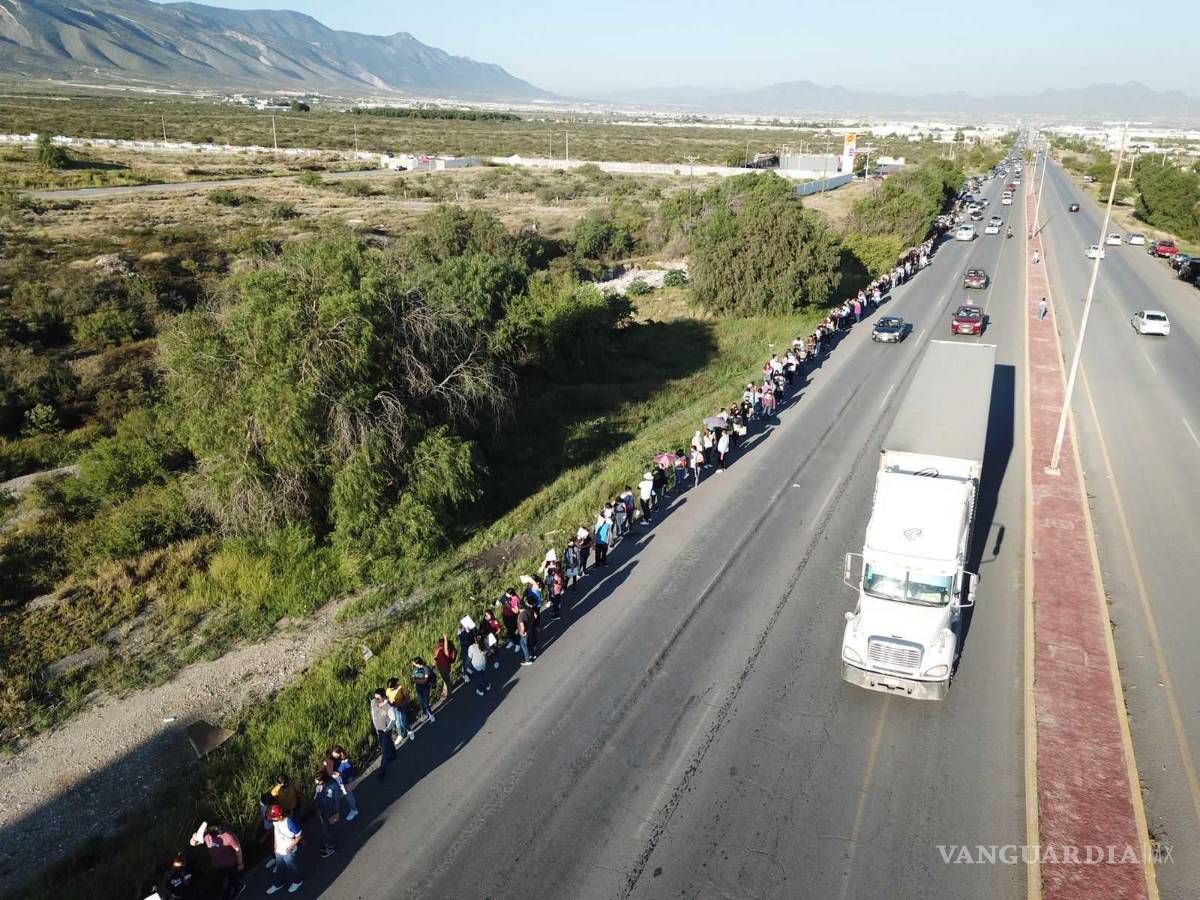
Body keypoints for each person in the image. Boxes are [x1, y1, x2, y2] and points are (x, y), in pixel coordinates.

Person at [193, 824, 245, 900]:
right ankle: (237, 887)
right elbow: (193, 843)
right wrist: (195, 838)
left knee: (226, 885)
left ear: (220, 826)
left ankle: (235, 889)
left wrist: (240, 863)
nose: (218, 835)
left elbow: (238, 849)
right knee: (223, 884)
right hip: (217, 866)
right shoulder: (207, 836)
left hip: (229, 865)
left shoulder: (228, 836)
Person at [266, 804, 303, 894]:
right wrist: (275, 844)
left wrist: (290, 847)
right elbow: (276, 832)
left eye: (273, 817)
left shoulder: (290, 822)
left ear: (279, 816)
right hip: (279, 849)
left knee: (292, 867)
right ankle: (279, 883)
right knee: (280, 867)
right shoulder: (276, 821)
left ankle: (297, 881)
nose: (271, 819)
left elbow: (299, 836)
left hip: (288, 850)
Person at [370, 690, 399, 779]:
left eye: (378, 698)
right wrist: (375, 727)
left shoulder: (388, 707)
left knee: (385, 750)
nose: (376, 700)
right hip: (378, 729)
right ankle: (394, 755)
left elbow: (393, 719)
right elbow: (373, 713)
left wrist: (387, 729)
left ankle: (382, 770)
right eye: (375, 697)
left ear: (383, 697)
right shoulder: (373, 702)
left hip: (385, 730)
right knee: (388, 741)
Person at [326, 747, 358, 821]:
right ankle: (338, 813)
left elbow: (349, 772)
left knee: (349, 796)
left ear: (340, 753)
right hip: (341, 781)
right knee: (342, 795)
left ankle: (354, 810)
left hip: (347, 781)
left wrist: (338, 774)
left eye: (335, 755)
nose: (334, 757)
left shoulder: (346, 761)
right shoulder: (337, 759)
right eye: (333, 755)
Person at [312, 770, 340, 858]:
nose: (315, 781)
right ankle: (329, 842)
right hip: (322, 811)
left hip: (331, 812)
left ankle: (331, 846)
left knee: (330, 830)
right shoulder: (319, 785)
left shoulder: (333, 786)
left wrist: (336, 813)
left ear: (322, 780)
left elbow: (336, 801)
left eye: (317, 780)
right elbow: (316, 796)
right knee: (325, 829)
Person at [385, 678, 416, 743]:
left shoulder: (401, 688)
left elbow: (407, 698)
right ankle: (400, 735)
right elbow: (387, 698)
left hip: (402, 707)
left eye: (392, 688)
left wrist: (400, 704)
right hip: (394, 708)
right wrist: (390, 704)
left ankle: (410, 732)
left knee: (403, 721)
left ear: (395, 685)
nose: (391, 689)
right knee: (397, 723)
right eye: (390, 688)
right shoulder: (388, 690)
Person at [411, 656, 436, 723]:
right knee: (421, 702)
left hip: (425, 688)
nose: (413, 665)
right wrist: (417, 680)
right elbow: (413, 678)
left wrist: (416, 680)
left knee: (426, 703)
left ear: (418, 663)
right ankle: (425, 714)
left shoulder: (426, 668)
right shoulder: (415, 669)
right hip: (419, 688)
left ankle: (431, 715)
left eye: (414, 663)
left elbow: (425, 680)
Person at [517, 594, 540, 665]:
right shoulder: (529, 610)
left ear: (518, 608)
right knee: (530, 644)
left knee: (525, 646)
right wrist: (531, 622)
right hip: (530, 629)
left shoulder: (520, 616)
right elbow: (535, 616)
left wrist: (521, 633)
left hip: (525, 632)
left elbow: (522, 627)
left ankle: (528, 660)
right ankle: (533, 655)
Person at [433, 634, 456, 701]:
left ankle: (449, 695)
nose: (439, 644)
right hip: (443, 667)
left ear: (443, 643)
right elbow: (436, 658)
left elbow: (445, 649)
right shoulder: (440, 649)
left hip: (444, 667)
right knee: (445, 680)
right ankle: (445, 692)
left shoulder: (445, 649)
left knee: (447, 681)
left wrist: (445, 639)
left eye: (440, 642)